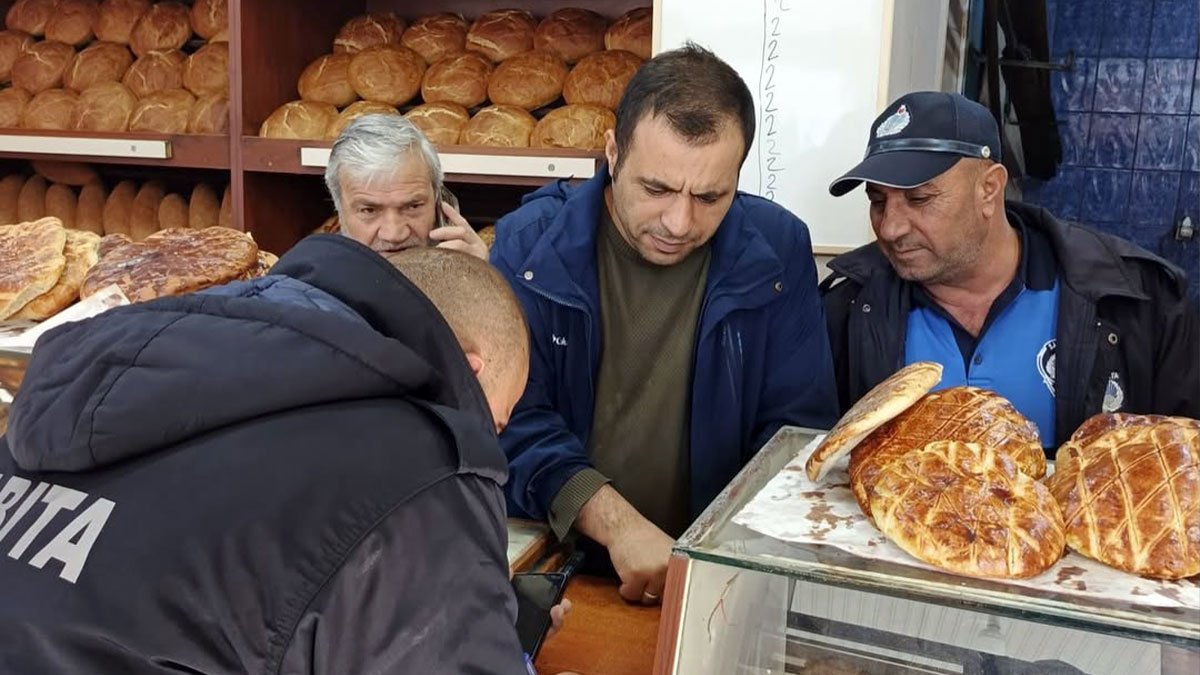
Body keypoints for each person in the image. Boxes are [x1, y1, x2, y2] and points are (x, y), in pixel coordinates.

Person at [0, 238, 542, 673]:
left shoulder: (87, 376)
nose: (489, 438)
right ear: (470, 370)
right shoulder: (416, 466)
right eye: (494, 420)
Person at [490, 43, 839, 606]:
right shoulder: (530, 246)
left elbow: (795, 434)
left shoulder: (777, 248)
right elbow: (513, 422)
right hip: (556, 570)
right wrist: (618, 525)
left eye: (710, 196)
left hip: (719, 577)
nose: (679, 223)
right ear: (612, 152)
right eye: (655, 189)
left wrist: (716, 558)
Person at [822, 91, 1200, 449]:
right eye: (877, 201)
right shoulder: (848, 305)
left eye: (919, 199)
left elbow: (1184, 464)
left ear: (989, 189)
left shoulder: (1135, 301)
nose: (890, 227)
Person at [325, 114, 489, 259]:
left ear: (439, 203)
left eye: (413, 206)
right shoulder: (311, 290)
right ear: (339, 210)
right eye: (369, 210)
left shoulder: (469, 274)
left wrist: (479, 281)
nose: (394, 234)